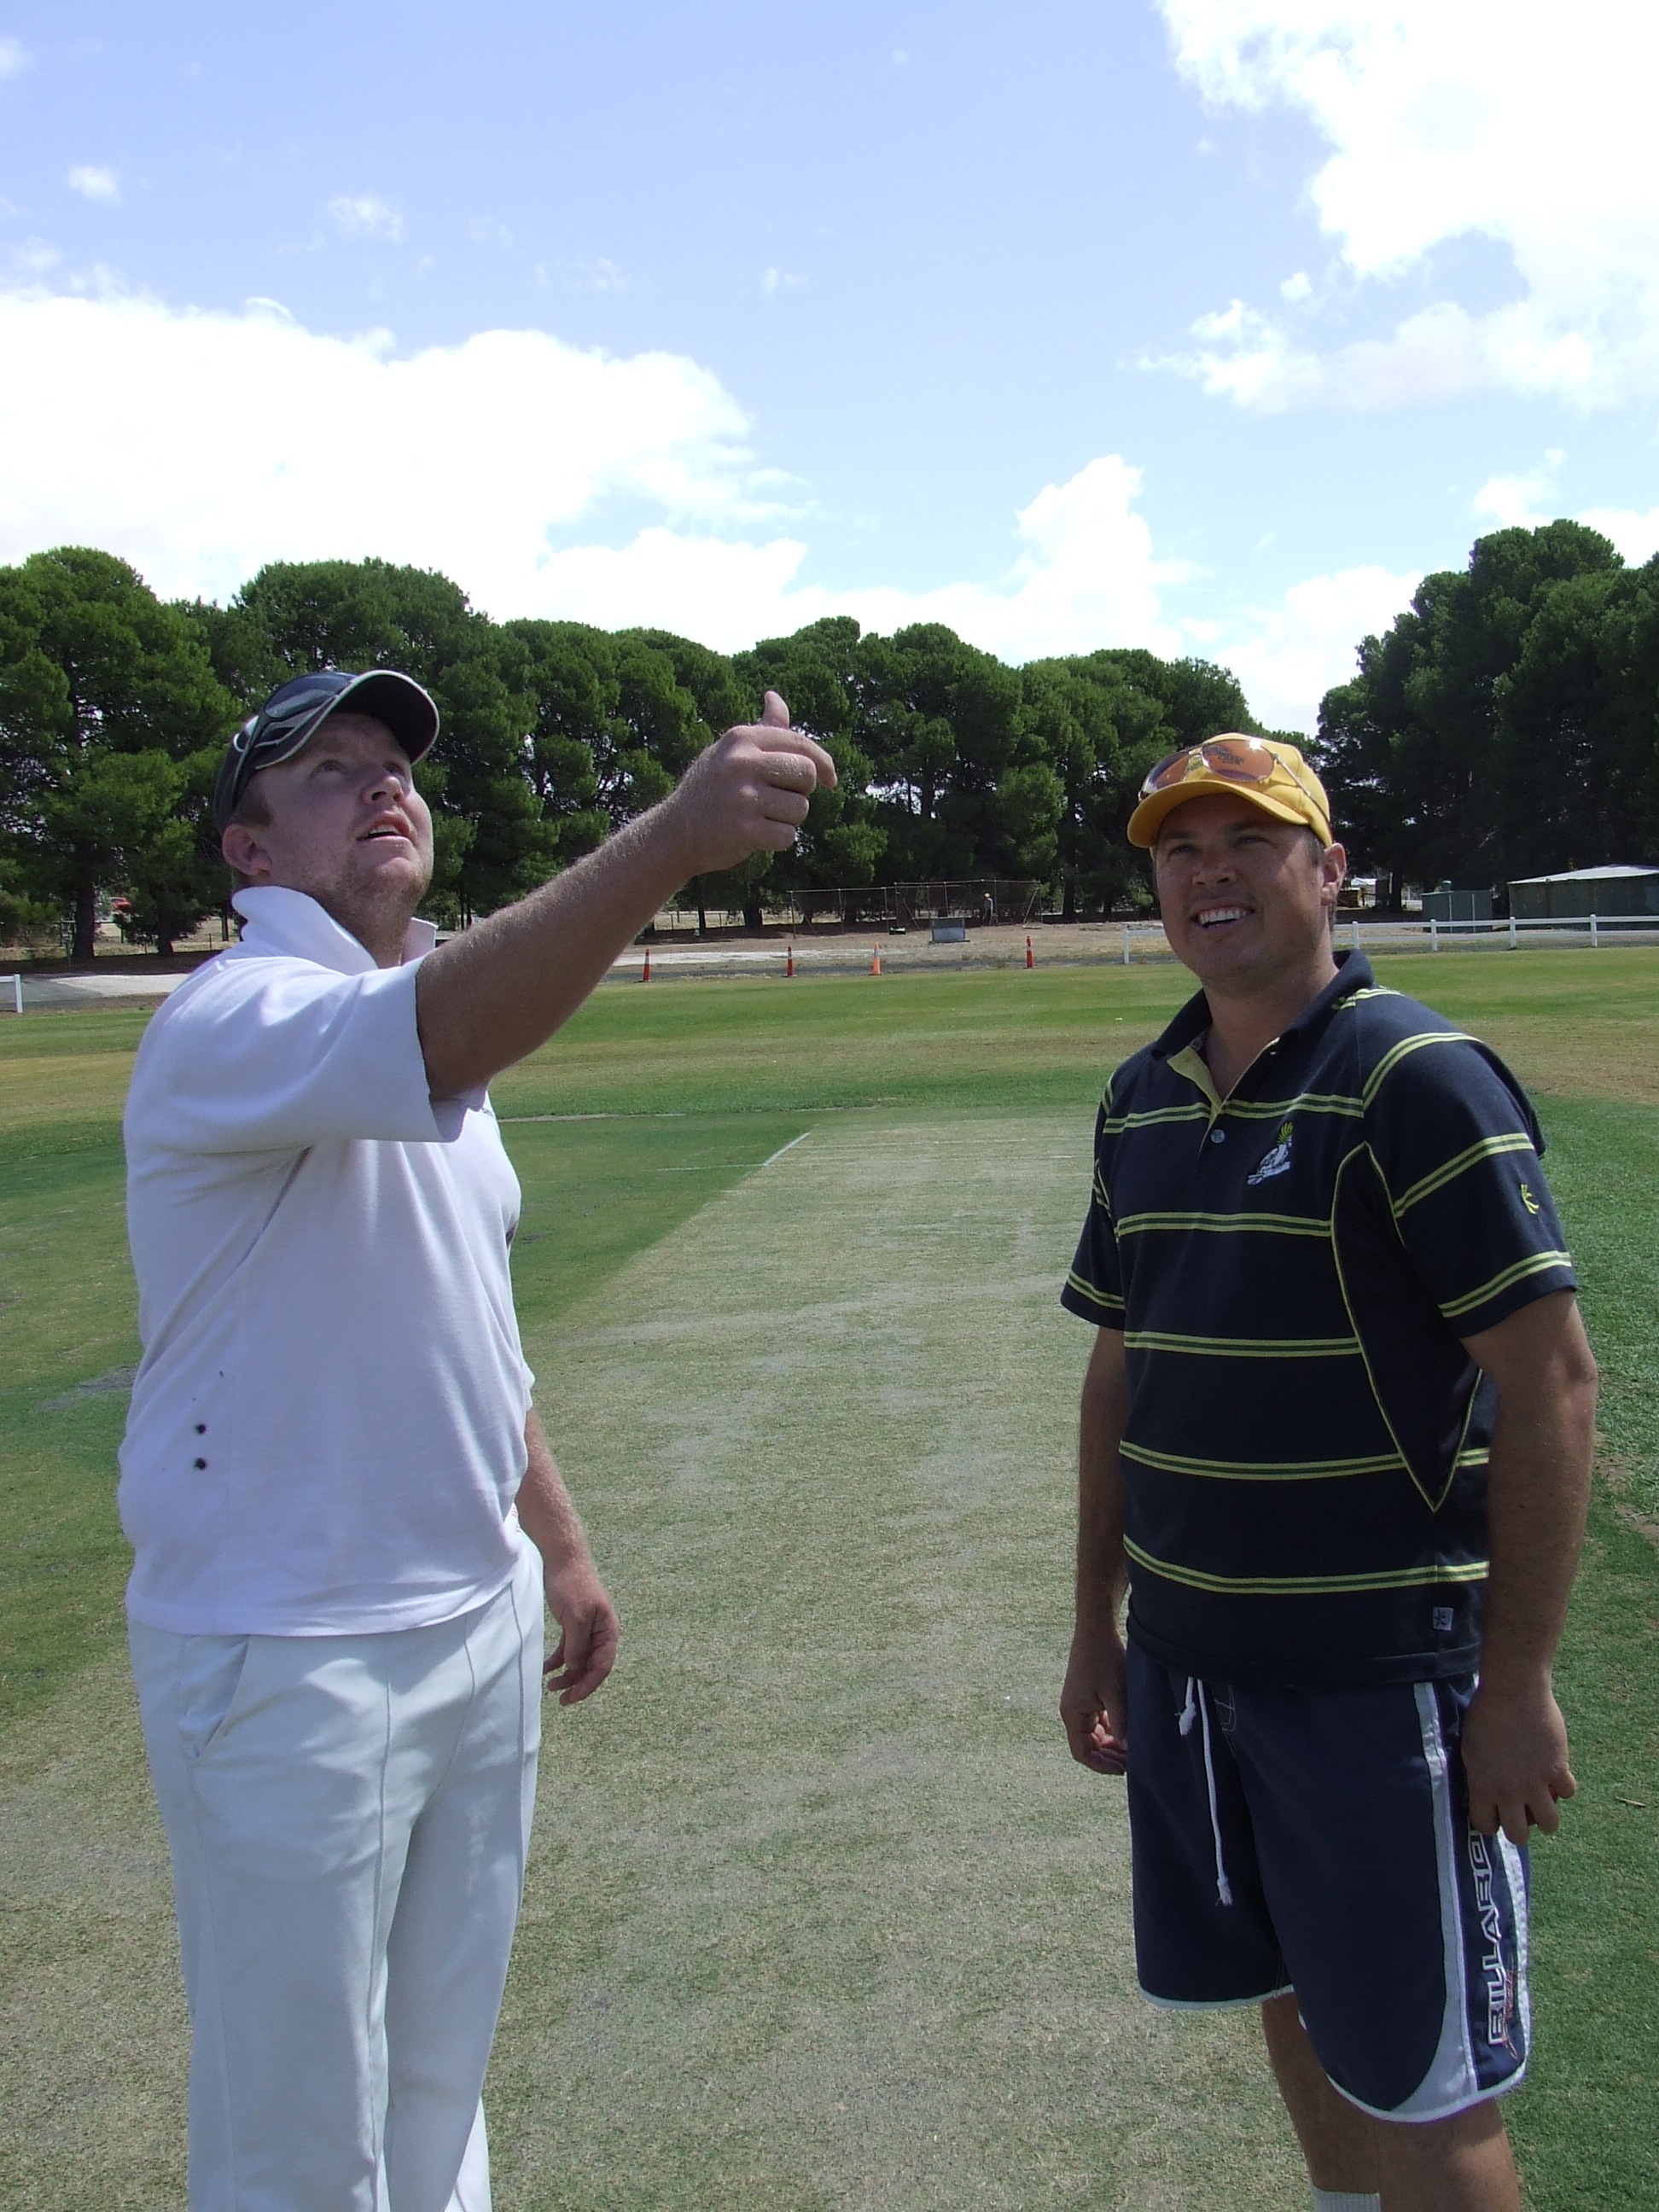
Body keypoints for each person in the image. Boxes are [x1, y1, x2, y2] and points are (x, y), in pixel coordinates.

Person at [120, 667, 835, 2211]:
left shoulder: (433, 1019)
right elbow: (435, 1036)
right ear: (247, 855)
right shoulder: (239, 1011)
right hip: (288, 1645)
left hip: (471, 1620)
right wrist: (670, 840)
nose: (384, 785)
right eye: (328, 771)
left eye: (396, 766)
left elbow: (467, 1321)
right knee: (301, 2141)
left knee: (441, 2098)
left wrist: (556, 1548)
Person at [1057, 736, 1598, 2212]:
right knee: (1296, 2010)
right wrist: (1096, 1624)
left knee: (1429, 2093)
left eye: (1249, 840)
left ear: (1329, 870)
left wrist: (1518, 1681)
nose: (1208, 873)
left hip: (1381, 1682)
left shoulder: (1418, 1078)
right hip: (1192, 1665)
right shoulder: (1144, 1095)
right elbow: (1124, 1368)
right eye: (1179, 849)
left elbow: (1549, 1383)